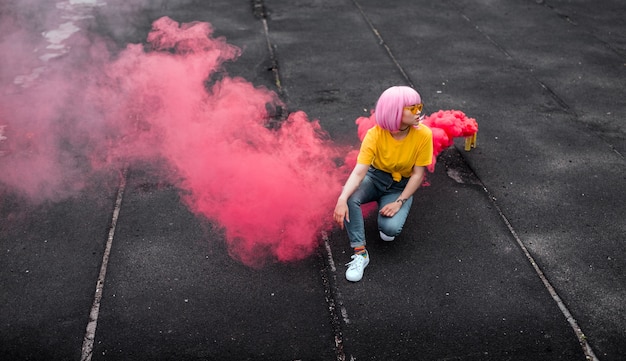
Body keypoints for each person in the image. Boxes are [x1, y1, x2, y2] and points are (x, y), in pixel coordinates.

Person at [333, 86, 433, 282]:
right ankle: (360, 253)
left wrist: (400, 201)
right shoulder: (375, 134)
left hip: (399, 186)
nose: (418, 111)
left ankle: (387, 208)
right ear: (394, 111)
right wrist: (342, 198)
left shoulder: (424, 135)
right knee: (350, 198)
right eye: (411, 108)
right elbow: (360, 171)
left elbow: (417, 175)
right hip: (375, 177)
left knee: (389, 230)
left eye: (418, 106)